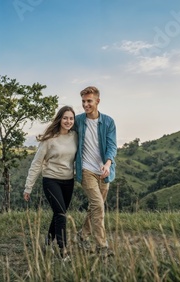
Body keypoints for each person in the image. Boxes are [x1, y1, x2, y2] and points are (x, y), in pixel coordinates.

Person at [23, 106, 78, 260]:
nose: (68, 121)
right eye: (65, 118)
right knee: (61, 214)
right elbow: (36, 164)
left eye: (71, 118)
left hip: (68, 181)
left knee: (59, 213)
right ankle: (63, 251)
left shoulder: (75, 136)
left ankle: (47, 242)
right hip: (51, 180)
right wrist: (28, 187)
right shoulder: (49, 139)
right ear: (59, 119)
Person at [74, 86, 117, 258]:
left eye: (89, 101)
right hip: (85, 170)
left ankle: (82, 236)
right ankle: (102, 246)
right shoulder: (77, 121)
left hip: (104, 172)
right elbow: (61, 128)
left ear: (97, 101)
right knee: (98, 205)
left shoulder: (108, 122)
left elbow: (112, 145)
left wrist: (107, 164)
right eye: (83, 101)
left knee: (95, 207)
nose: (85, 104)